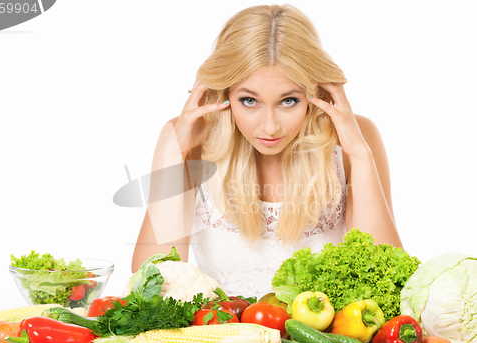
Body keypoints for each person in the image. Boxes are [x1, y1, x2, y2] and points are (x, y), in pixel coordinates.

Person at [131, 4, 403, 298]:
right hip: (223, 337)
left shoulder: (355, 138)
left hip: (322, 341)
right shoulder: (188, 138)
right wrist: (175, 155)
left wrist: (359, 155)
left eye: (289, 101)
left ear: (314, 95)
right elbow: (149, 287)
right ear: (224, 95)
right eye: (250, 101)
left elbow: (386, 280)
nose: (270, 127)